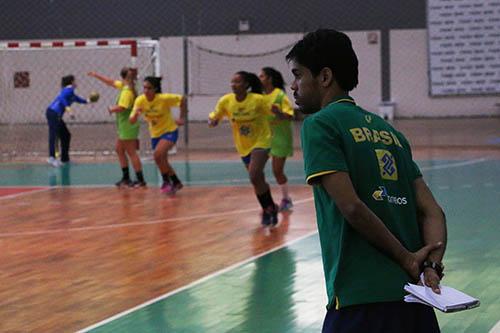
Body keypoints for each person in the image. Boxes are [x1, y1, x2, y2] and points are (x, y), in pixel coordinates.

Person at [286, 29, 447, 333]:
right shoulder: (392, 134)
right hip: (415, 304)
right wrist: (431, 267)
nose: (293, 85)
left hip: (359, 302)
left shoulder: (320, 125)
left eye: (297, 75)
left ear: (324, 77)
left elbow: (351, 206)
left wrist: (408, 259)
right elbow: (433, 211)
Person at [208, 71, 279, 227]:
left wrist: (277, 111)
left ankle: (268, 209)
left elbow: (273, 111)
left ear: (246, 84)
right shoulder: (226, 101)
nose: (234, 85)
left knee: (254, 175)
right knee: (258, 180)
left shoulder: (258, 100)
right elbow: (216, 115)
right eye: (232, 82)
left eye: (238, 82)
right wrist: (213, 120)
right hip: (243, 146)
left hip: (262, 141)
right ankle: (270, 207)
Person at [88, 68, 146, 187]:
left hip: (128, 125)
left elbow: (122, 107)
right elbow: (110, 82)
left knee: (131, 152)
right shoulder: (126, 87)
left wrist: (111, 109)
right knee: (119, 150)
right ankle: (126, 178)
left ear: (123, 77)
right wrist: (96, 75)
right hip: (125, 125)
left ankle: (140, 179)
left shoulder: (126, 92)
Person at [129, 76, 187, 194]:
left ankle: (166, 181)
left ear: (155, 89)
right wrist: (136, 115)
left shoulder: (163, 98)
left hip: (170, 131)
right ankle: (176, 182)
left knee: (157, 154)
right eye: (144, 88)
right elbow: (131, 120)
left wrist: (182, 117)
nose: (146, 91)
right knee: (162, 160)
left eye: (149, 88)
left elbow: (183, 99)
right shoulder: (140, 100)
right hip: (155, 134)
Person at [259, 67, 295, 211]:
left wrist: (278, 112)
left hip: (281, 138)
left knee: (277, 171)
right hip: (265, 138)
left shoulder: (279, 95)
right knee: (256, 170)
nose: (259, 79)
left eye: (262, 76)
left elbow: (290, 115)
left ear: (269, 79)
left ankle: (286, 199)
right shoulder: (260, 97)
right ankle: (266, 201)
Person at [46, 75, 97, 167]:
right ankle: (51, 158)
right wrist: (69, 109)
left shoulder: (71, 93)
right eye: (75, 80)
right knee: (53, 135)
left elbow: (79, 99)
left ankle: (65, 159)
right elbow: (61, 98)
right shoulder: (68, 90)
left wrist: (89, 101)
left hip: (55, 114)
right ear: (71, 82)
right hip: (53, 113)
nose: (76, 82)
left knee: (66, 135)